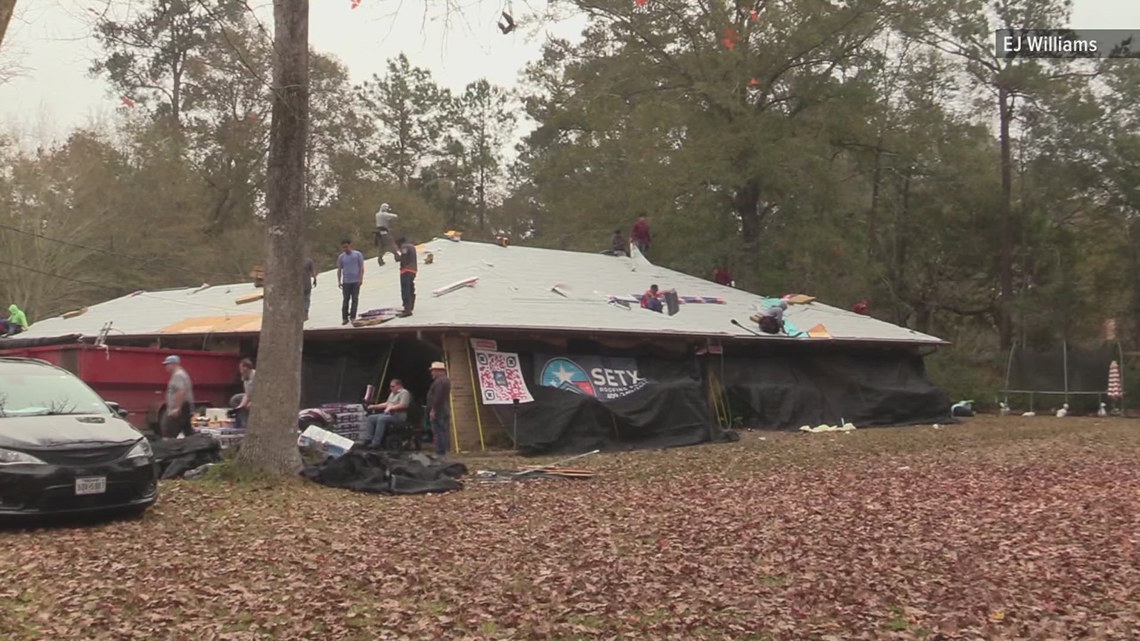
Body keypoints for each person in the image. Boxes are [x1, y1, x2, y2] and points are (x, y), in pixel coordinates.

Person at [357, 379, 412, 449]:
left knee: (382, 419)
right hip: (389, 414)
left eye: (393, 386)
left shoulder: (404, 393)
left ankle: (376, 443)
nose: (391, 388)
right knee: (371, 418)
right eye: (390, 386)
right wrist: (374, 406)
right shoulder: (392, 393)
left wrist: (391, 408)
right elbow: (387, 403)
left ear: (399, 386)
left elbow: (404, 405)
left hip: (398, 416)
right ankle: (368, 439)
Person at [161, 355, 196, 439]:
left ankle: (168, 447)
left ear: (174, 364)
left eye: (167, 364)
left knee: (168, 434)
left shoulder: (178, 375)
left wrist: (177, 408)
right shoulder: (182, 374)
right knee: (188, 433)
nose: (166, 367)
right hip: (185, 407)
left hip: (179, 408)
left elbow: (181, 391)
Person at [336, 239, 365, 325]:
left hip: (355, 281)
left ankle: (353, 317)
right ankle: (345, 318)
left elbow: (361, 268)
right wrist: (339, 281)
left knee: (355, 299)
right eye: (343, 247)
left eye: (346, 247)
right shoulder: (341, 257)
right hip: (346, 282)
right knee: (346, 300)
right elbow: (339, 269)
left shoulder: (357, 254)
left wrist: (360, 279)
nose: (345, 249)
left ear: (350, 246)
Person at [426, 361, 452, 456]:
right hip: (443, 409)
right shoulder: (444, 380)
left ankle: (440, 452)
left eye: (433, 371)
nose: (432, 373)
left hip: (439, 410)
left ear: (439, 371)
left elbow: (438, 397)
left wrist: (433, 410)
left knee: (439, 431)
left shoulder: (441, 381)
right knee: (442, 430)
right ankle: (442, 452)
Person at [396, 236, 417, 317]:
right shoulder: (412, 246)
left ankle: (407, 309)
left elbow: (404, 258)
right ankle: (411, 305)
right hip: (413, 270)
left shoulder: (404, 247)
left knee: (405, 289)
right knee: (411, 288)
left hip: (406, 270)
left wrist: (400, 259)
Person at [232, 358, 255, 430]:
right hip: (250, 397)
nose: (240, 371)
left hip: (258, 397)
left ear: (245, 368)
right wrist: (240, 406)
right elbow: (247, 394)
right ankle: (240, 423)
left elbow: (260, 391)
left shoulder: (255, 376)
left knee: (249, 405)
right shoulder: (245, 378)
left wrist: (252, 402)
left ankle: (246, 425)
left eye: (241, 368)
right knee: (235, 399)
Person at [302, 253, 317, 322]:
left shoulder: (308, 261)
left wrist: (314, 278)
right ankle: (304, 313)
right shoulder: (308, 260)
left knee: (306, 299)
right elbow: (312, 271)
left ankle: (305, 313)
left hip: (306, 284)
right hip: (301, 284)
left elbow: (312, 270)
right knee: (305, 299)